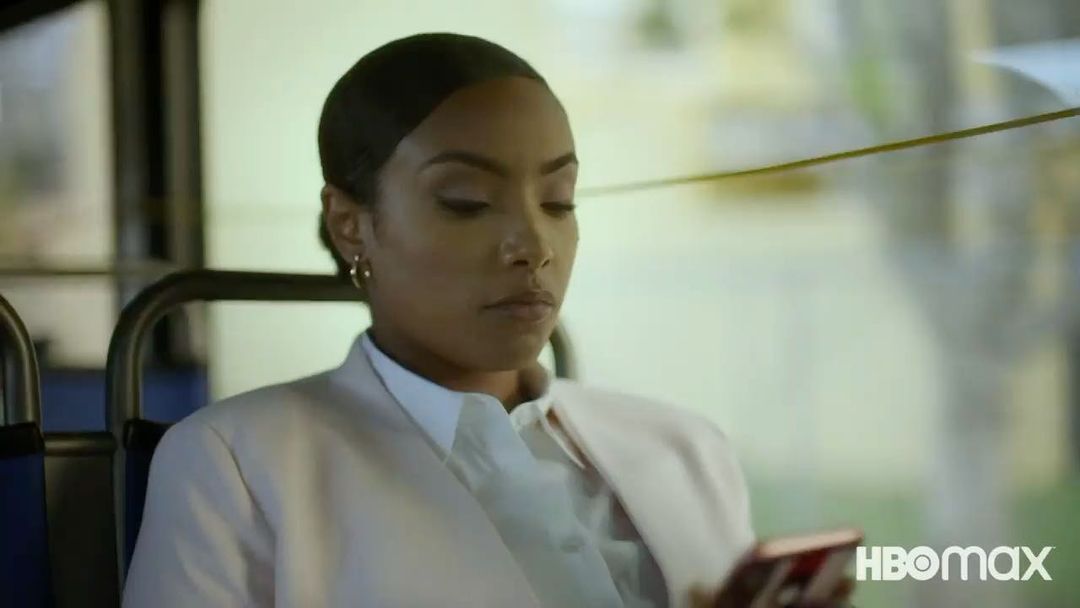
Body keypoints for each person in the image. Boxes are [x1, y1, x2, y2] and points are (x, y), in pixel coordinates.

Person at [124, 32, 781, 608]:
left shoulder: (685, 448)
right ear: (351, 225)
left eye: (558, 201)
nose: (534, 245)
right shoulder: (238, 464)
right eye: (467, 202)